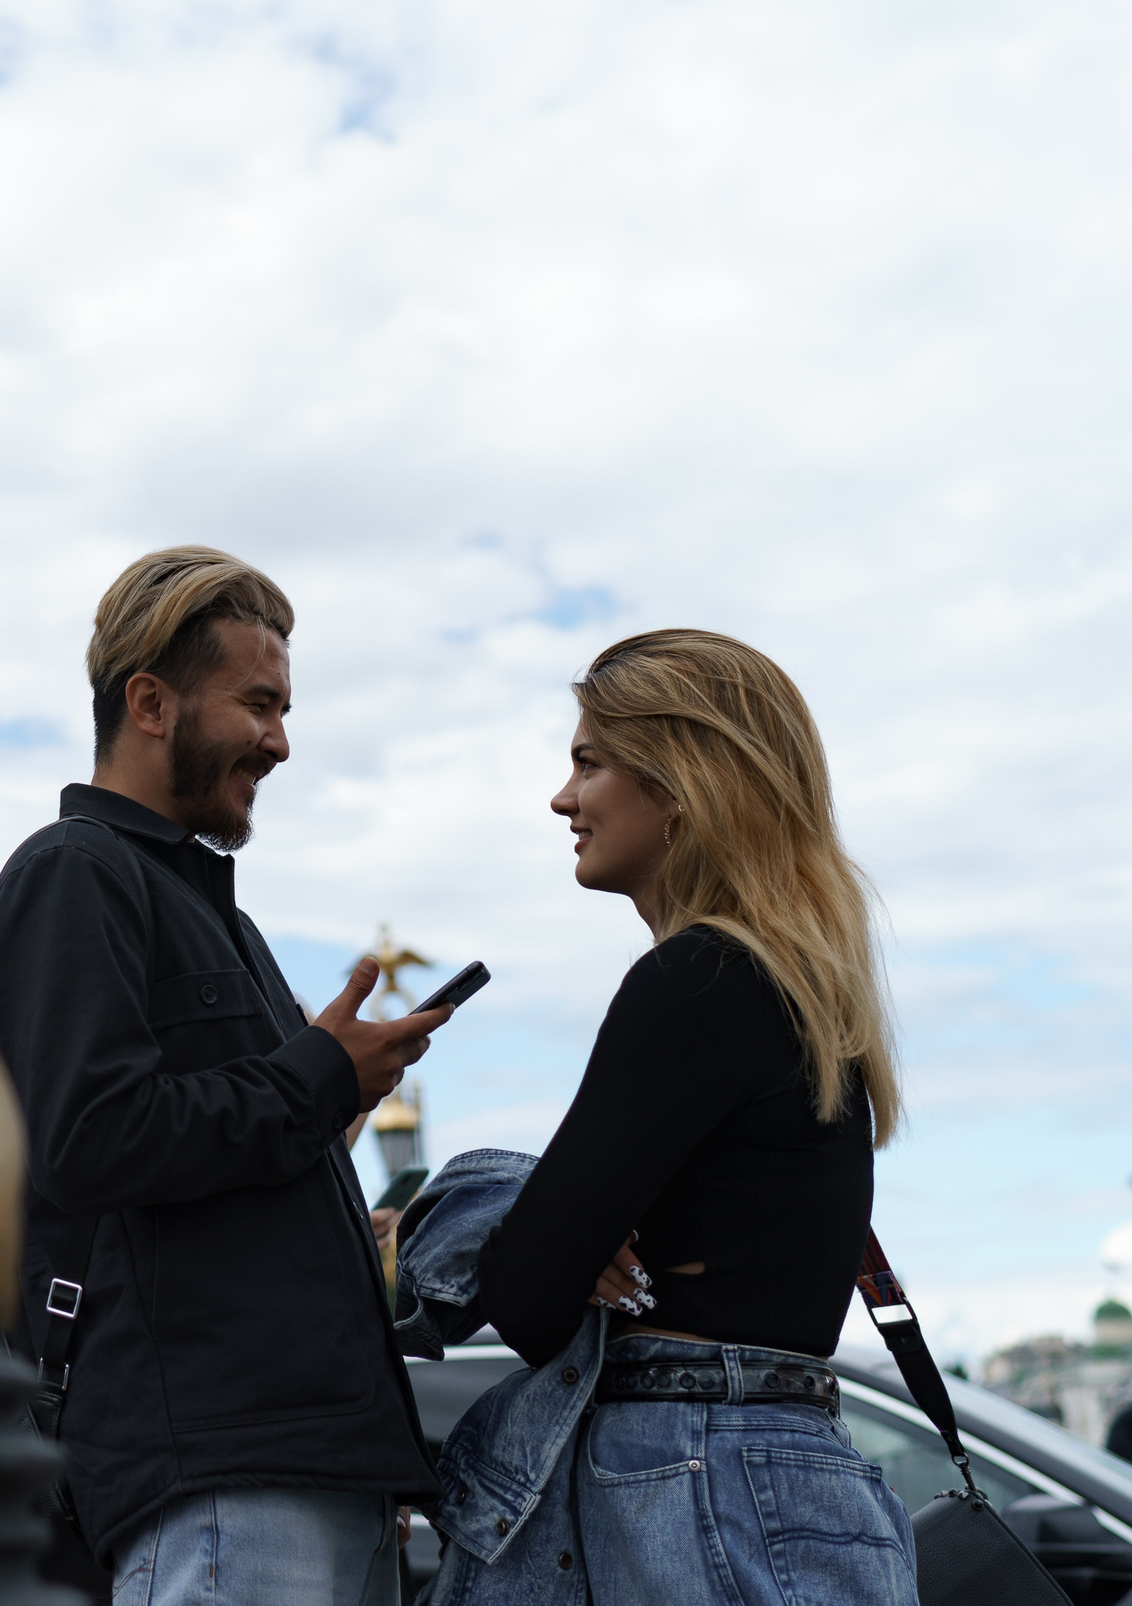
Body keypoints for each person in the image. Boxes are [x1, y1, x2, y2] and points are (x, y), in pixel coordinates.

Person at [0, 546, 447, 1606]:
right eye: (258, 704)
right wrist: (318, 1075)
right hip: (219, 1480)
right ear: (150, 703)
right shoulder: (72, 872)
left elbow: (215, 1161)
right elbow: (90, 1136)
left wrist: (334, 1090)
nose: (280, 741)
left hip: (312, 1476)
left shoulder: (213, 911)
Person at [442, 629, 916, 1602]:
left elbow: (527, 1297)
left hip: (701, 1470)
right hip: (782, 1464)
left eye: (588, 762)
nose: (563, 799)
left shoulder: (694, 979)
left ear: (679, 784)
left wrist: (525, 1222)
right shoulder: (802, 993)